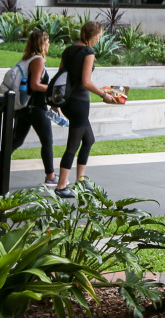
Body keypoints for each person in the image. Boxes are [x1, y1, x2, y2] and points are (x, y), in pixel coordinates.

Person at [54, 21, 119, 199]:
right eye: (99, 35)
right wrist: (104, 94)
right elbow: (86, 82)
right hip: (79, 102)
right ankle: (61, 186)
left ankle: (80, 181)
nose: (100, 39)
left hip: (67, 101)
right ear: (93, 35)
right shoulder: (88, 52)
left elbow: (60, 76)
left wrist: (55, 102)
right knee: (73, 145)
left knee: (88, 139)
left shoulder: (68, 50)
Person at [8, 29, 57, 186]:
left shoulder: (26, 59)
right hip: (35, 107)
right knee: (47, 141)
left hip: (24, 107)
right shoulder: (38, 60)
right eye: (47, 41)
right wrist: (52, 89)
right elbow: (35, 85)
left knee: (16, 141)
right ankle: (50, 176)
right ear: (41, 43)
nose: (49, 44)